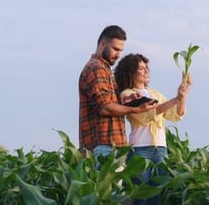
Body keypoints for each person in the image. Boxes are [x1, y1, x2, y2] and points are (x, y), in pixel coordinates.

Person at [114, 53, 192, 205]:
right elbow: (144, 114)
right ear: (130, 73)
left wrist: (183, 94)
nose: (146, 71)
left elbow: (175, 114)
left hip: (161, 150)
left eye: (146, 68)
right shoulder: (127, 94)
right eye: (141, 68)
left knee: (156, 198)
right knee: (140, 197)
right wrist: (175, 99)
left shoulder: (156, 94)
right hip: (140, 150)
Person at [78, 25, 157, 158]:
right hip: (103, 146)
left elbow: (109, 102)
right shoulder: (96, 69)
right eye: (115, 49)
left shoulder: (105, 70)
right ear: (103, 44)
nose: (118, 55)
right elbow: (104, 108)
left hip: (111, 145)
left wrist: (128, 100)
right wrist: (134, 110)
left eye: (121, 50)